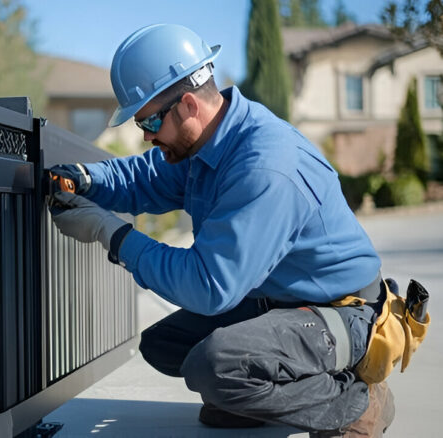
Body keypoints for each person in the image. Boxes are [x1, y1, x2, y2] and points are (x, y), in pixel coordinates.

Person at [47, 24, 398, 437]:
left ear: (189, 105)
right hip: (282, 302)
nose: (146, 136)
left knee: (215, 366)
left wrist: (112, 234)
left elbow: (209, 287)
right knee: (166, 344)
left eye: (151, 121)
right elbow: (144, 177)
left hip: (343, 312)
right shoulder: (208, 144)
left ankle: (358, 403)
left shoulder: (265, 166)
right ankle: (264, 397)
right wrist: (87, 179)